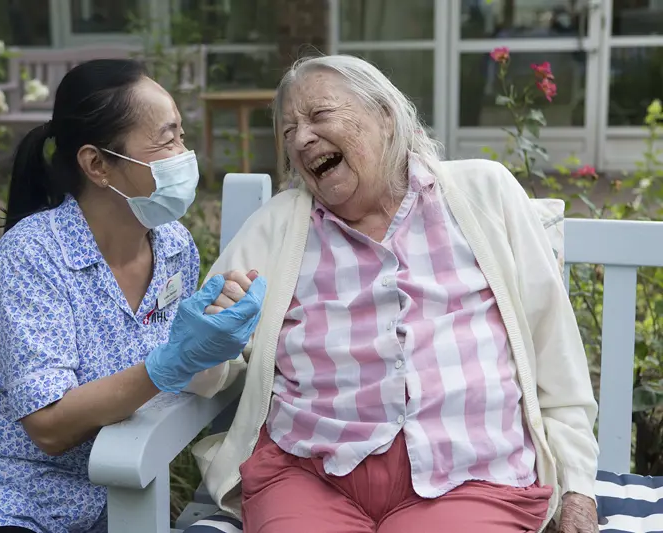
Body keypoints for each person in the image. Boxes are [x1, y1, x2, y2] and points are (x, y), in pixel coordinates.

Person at [187, 55, 600, 533]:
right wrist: (209, 338)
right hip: (308, 474)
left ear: (385, 115)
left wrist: (577, 487)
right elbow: (205, 368)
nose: (301, 140)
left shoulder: (485, 193)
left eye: (319, 116)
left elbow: (554, 352)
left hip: (473, 477)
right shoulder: (277, 225)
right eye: (288, 131)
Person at [0, 58, 266, 533]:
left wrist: (212, 344)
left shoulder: (173, 245)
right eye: (167, 140)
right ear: (97, 164)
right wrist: (172, 362)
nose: (184, 155)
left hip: (108, 495)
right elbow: (49, 426)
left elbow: (176, 370)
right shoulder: (32, 257)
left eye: (181, 136)